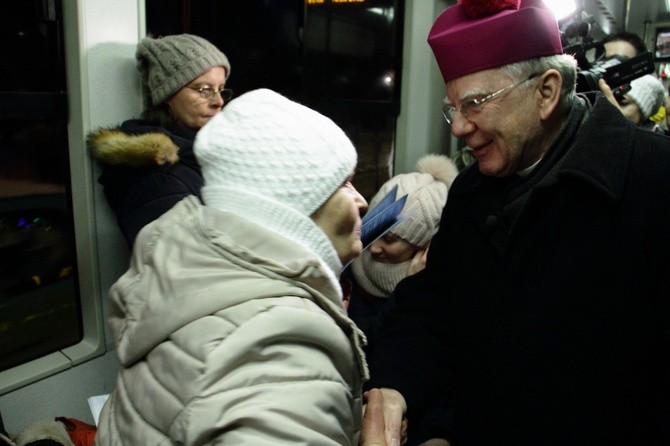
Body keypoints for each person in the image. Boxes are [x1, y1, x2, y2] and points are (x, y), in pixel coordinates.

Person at [367, 0, 670, 445]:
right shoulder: (472, 193)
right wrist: (395, 387)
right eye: (453, 107)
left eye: (475, 104)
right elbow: (433, 313)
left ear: (546, 91)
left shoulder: (654, 182)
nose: (459, 128)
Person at [94, 87, 404, 445]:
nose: (362, 201)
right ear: (294, 205)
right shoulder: (282, 357)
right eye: (344, 183)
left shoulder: (186, 271)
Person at [88, 34, 231, 247]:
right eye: (204, 90)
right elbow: (186, 262)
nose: (218, 102)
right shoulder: (156, 176)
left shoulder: (206, 152)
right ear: (168, 95)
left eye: (220, 89)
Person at [347, 154, 458, 352]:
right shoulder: (351, 268)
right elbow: (363, 346)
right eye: (374, 230)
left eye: (389, 239)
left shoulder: (442, 286)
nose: (373, 248)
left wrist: (411, 288)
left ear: (422, 242)